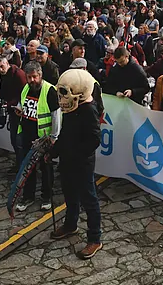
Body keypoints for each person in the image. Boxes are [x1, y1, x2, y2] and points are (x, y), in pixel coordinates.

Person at [49, 69, 102, 260]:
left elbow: (94, 140)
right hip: (67, 160)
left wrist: (75, 153)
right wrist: (54, 152)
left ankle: (95, 238)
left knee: (89, 199)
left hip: (82, 162)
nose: (62, 99)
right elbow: (65, 132)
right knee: (69, 195)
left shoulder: (89, 110)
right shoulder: (70, 108)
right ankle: (70, 224)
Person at [16, 61, 60, 212]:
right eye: (29, 77)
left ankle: (46, 197)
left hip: (44, 137)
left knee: (46, 168)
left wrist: (53, 137)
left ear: (40, 75)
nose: (31, 80)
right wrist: (20, 108)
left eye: (34, 77)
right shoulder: (26, 88)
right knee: (28, 168)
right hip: (27, 134)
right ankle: (28, 196)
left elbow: (56, 115)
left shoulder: (50, 91)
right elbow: (22, 103)